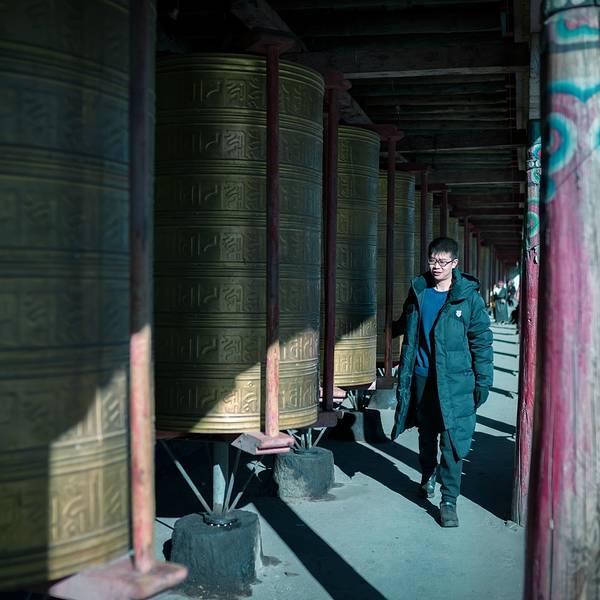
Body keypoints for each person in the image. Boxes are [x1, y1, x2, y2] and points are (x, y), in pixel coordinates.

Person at [391, 237, 493, 527]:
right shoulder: (419, 292)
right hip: (422, 377)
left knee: (452, 440)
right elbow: (406, 326)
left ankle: (449, 500)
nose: (436, 266)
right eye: (433, 260)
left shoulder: (468, 298)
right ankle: (427, 474)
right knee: (426, 434)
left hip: (455, 382)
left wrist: (483, 381)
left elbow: (481, 341)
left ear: (454, 264)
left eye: (443, 261)